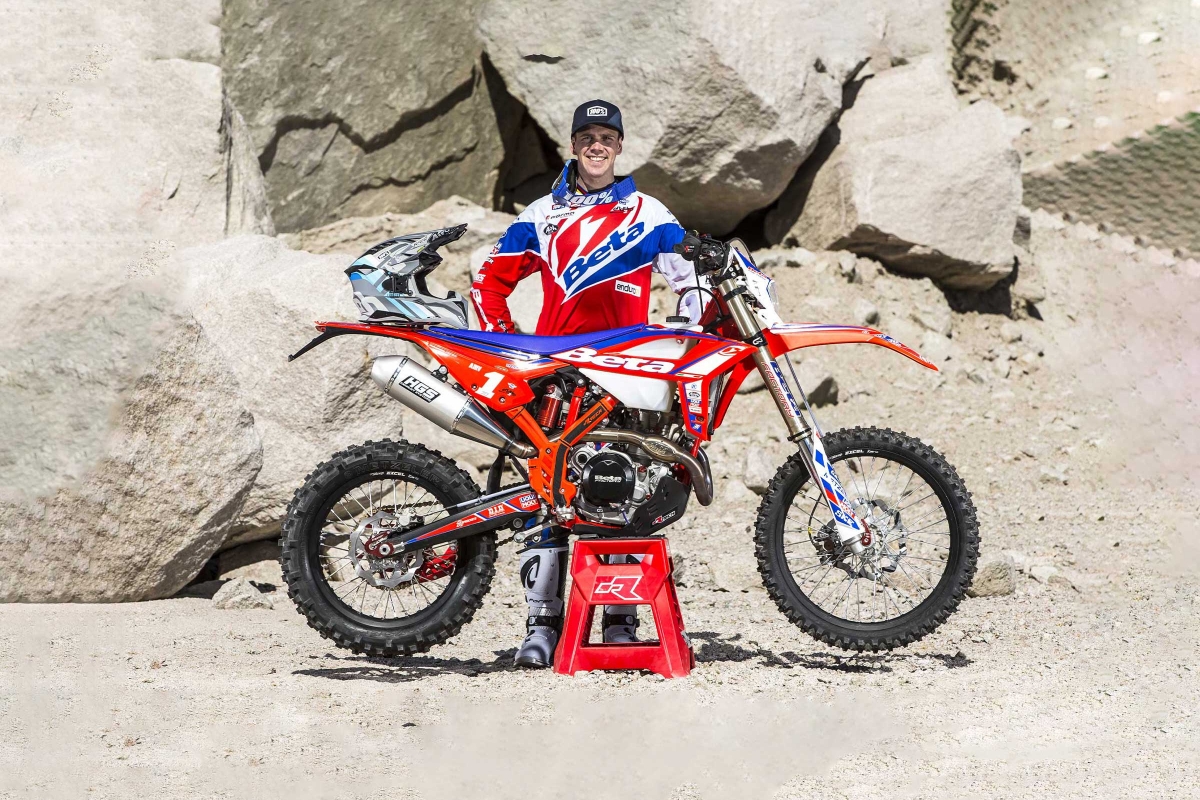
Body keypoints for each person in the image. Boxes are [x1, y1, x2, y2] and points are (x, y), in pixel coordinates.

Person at [471, 99, 704, 668]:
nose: (597, 146)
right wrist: (509, 349)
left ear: (619, 146)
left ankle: (620, 623)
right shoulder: (540, 214)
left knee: (626, 493)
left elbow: (692, 283)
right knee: (546, 499)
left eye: (607, 137)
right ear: (573, 145)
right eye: (587, 137)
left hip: (627, 377)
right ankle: (541, 627)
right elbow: (487, 282)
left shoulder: (650, 213)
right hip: (555, 379)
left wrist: (681, 344)